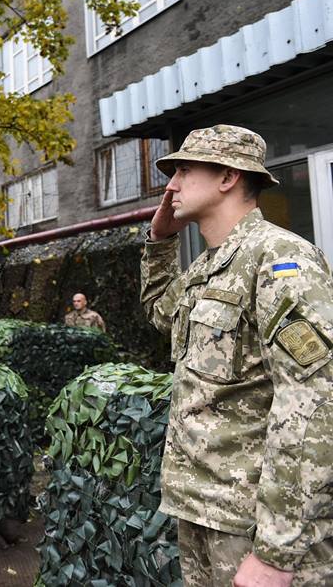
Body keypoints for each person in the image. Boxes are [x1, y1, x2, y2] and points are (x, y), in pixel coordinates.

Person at [141, 124, 333, 586]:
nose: (171, 186)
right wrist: (161, 242)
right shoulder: (207, 266)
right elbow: (161, 314)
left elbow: (315, 403)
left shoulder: (282, 260)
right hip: (203, 509)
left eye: (184, 170)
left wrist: (276, 551)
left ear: (227, 177)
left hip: (254, 523)